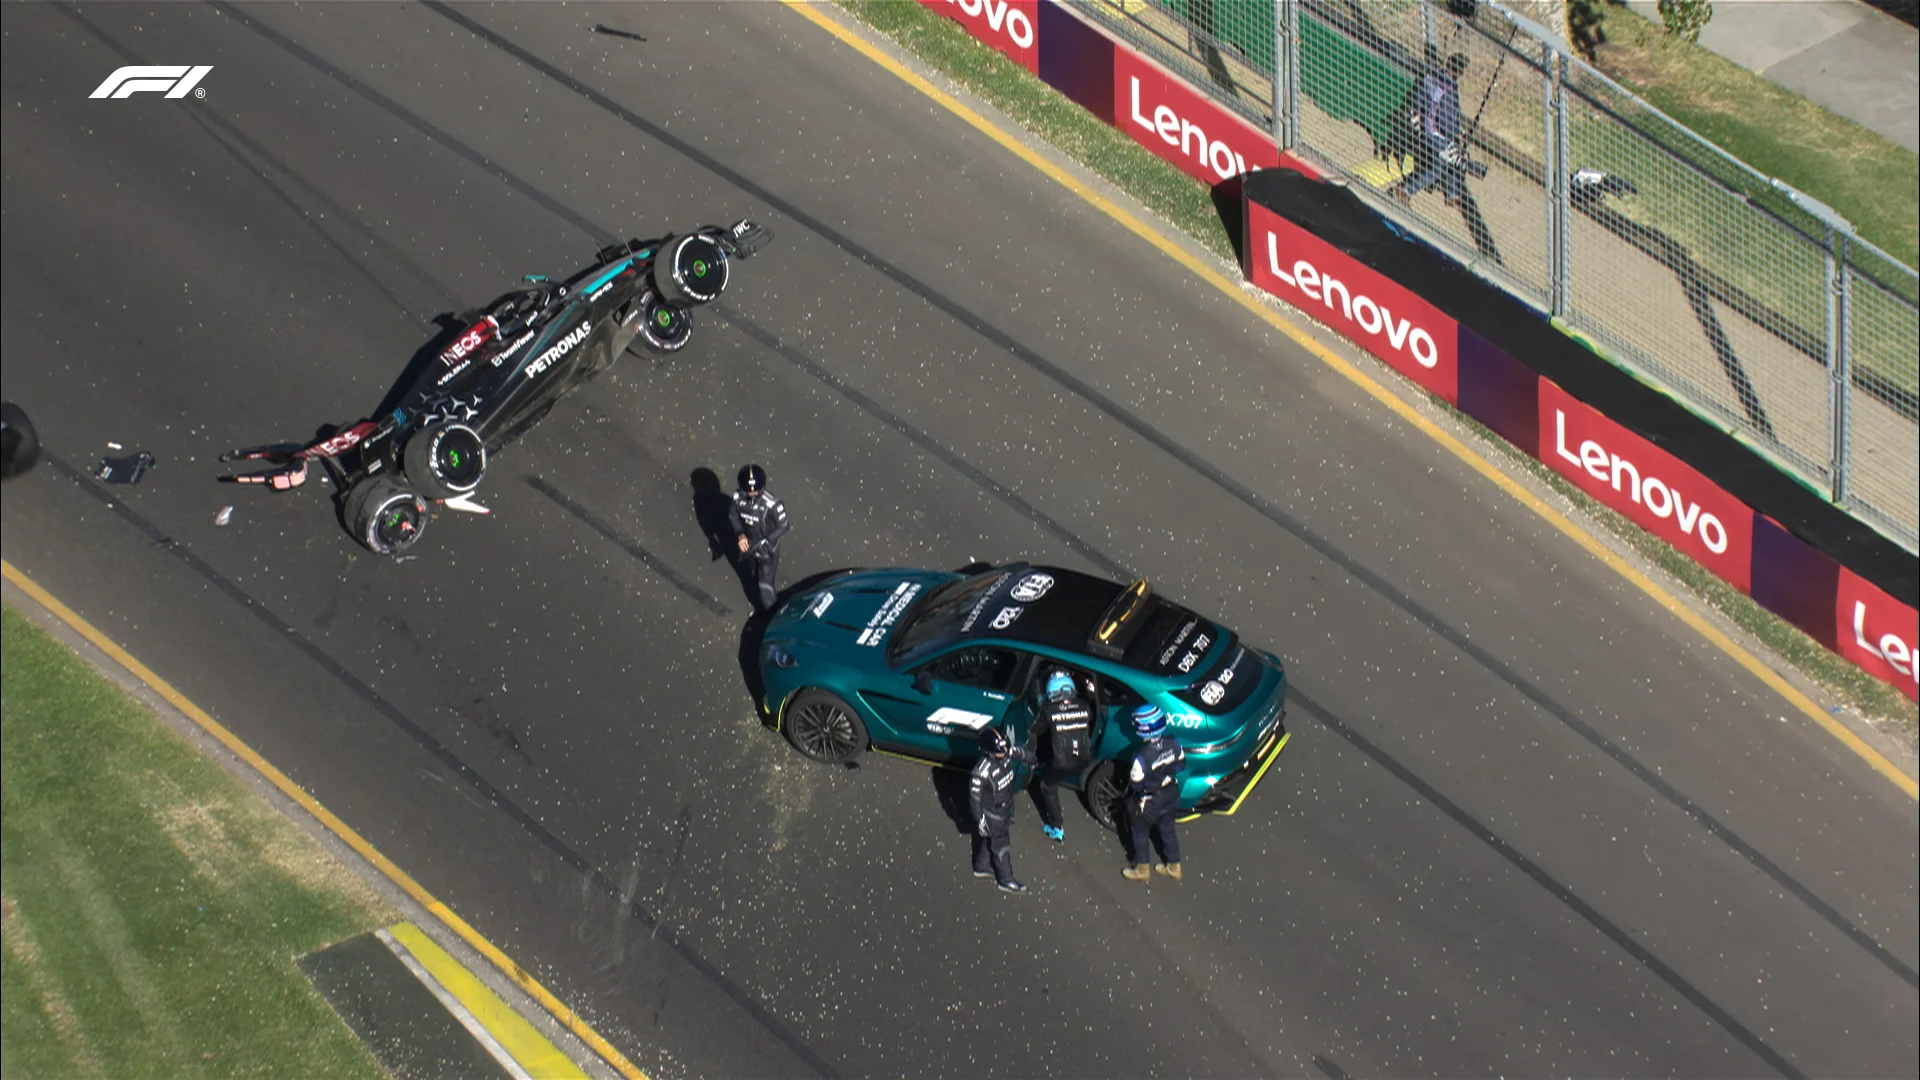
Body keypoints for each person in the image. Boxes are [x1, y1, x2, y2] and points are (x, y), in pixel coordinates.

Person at [1391, 53, 1470, 210]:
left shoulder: (1431, 77)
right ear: (1461, 73)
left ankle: (1452, 193)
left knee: (1454, 153)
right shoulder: (1450, 91)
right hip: (1433, 134)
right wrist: (1458, 133)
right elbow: (1445, 123)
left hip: (1420, 126)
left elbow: (1419, 100)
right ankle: (1406, 190)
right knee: (1447, 160)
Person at [1122, 704, 1187, 882]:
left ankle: (1142, 869)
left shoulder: (1141, 757)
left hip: (1151, 800)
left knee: (1139, 830)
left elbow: (1136, 784)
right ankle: (1174, 866)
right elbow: (1181, 765)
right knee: (1168, 828)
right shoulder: (1173, 742)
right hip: (1171, 792)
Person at [969, 725, 1037, 894]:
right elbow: (974, 800)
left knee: (990, 839)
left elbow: (1021, 753)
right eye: (1001, 752)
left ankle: (981, 866)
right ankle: (1006, 880)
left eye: (1005, 749)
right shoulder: (981, 773)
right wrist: (980, 821)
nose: (1005, 753)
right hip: (992, 814)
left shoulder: (1005, 752)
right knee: (1001, 846)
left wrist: (1032, 760)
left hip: (1005, 808)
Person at [1031, 670, 1093, 843]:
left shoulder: (1049, 710)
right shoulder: (1084, 705)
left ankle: (1057, 827)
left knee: (1048, 786)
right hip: (1084, 759)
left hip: (1061, 763)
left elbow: (1036, 731)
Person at [730, 464, 790, 612]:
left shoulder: (772, 503)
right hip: (750, 548)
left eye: (756, 491)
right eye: (749, 491)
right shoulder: (737, 498)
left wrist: (767, 540)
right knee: (753, 576)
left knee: (765, 586)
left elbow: (784, 525)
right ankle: (763, 609)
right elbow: (733, 516)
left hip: (767, 550)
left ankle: (773, 614)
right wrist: (740, 534)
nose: (752, 494)